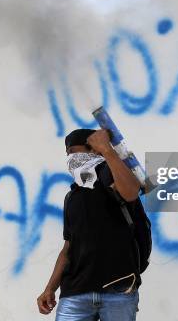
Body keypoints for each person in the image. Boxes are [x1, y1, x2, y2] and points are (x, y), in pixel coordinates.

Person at [36, 128, 143, 321]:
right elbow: (68, 247)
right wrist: (50, 288)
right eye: (68, 154)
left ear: (94, 150)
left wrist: (107, 150)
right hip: (75, 293)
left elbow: (131, 193)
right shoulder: (72, 196)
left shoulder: (111, 179)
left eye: (75, 151)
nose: (71, 158)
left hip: (118, 290)